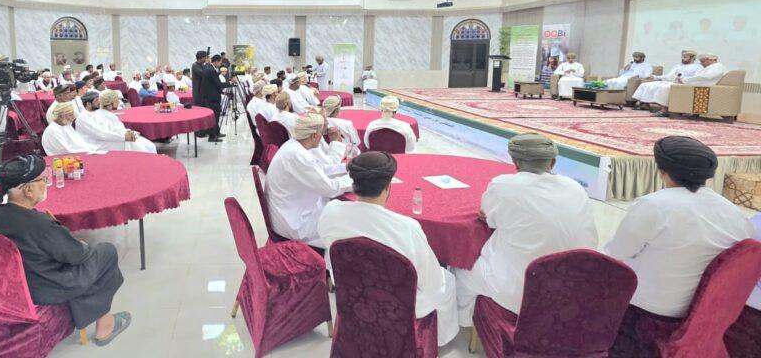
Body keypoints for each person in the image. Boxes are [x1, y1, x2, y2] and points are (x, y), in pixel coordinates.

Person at [0, 155, 130, 345]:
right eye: (43, 179)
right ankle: (104, 325)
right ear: (28, 190)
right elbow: (77, 255)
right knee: (105, 252)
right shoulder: (39, 224)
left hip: (11, 285)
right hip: (45, 287)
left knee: (82, 258)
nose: (46, 184)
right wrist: (73, 240)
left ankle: (92, 315)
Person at [455, 133, 598, 325]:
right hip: (577, 287)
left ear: (515, 162)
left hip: (523, 293)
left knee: (461, 268)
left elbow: (489, 219)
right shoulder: (575, 187)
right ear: (553, 162)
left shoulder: (503, 185)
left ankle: (467, 323)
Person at [318, 152, 459, 346]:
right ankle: (435, 342)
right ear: (388, 187)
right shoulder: (407, 228)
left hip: (351, 297)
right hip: (399, 309)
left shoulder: (331, 212)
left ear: (353, 184)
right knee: (447, 281)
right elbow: (433, 286)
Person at [604, 136, 753, 318]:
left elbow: (618, 253)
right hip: (704, 309)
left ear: (661, 172)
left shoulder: (654, 205)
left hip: (648, 308)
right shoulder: (735, 213)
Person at [265, 113, 353, 247]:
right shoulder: (297, 155)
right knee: (347, 219)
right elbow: (330, 189)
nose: (322, 138)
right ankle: (336, 256)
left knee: (338, 209)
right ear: (314, 135)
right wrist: (354, 179)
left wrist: (346, 168)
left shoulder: (293, 146)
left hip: (289, 211)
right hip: (295, 223)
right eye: (321, 134)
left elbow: (320, 169)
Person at [641, 53, 726, 116]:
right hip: (696, 85)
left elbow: (704, 77)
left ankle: (664, 110)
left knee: (665, 88)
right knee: (662, 86)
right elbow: (699, 77)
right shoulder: (711, 67)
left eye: (703, 62)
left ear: (710, 60)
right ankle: (663, 108)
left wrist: (684, 80)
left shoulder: (717, 67)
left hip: (702, 88)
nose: (702, 64)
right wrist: (684, 80)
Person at [75, 91, 156, 153]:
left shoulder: (96, 113)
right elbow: (101, 134)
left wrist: (128, 133)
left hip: (106, 139)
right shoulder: (83, 118)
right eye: (96, 100)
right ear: (88, 104)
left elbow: (111, 129)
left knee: (148, 144)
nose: (99, 102)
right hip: (95, 144)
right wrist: (124, 137)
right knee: (131, 143)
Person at [201, 54, 227, 142]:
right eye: (220, 62)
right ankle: (212, 136)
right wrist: (230, 84)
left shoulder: (209, 68)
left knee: (216, 115)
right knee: (214, 116)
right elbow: (218, 84)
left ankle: (216, 132)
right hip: (212, 96)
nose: (220, 64)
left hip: (211, 95)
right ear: (216, 61)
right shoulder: (211, 70)